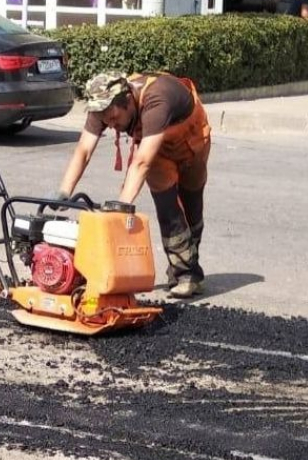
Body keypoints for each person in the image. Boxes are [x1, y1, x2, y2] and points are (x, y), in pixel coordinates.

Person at [50, 71, 212, 298]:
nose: (110, 124)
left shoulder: (156, 99)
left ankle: (187, 265)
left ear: (127, 101)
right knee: (167, 207)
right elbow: (84, 150)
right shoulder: (102, 107)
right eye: (105, 119)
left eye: (113, 118)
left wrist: (121, 206)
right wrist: (64, 191)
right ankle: (186, 274)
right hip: (154, 150)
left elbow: (141, 162)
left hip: (191, 140)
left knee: (192, 205)